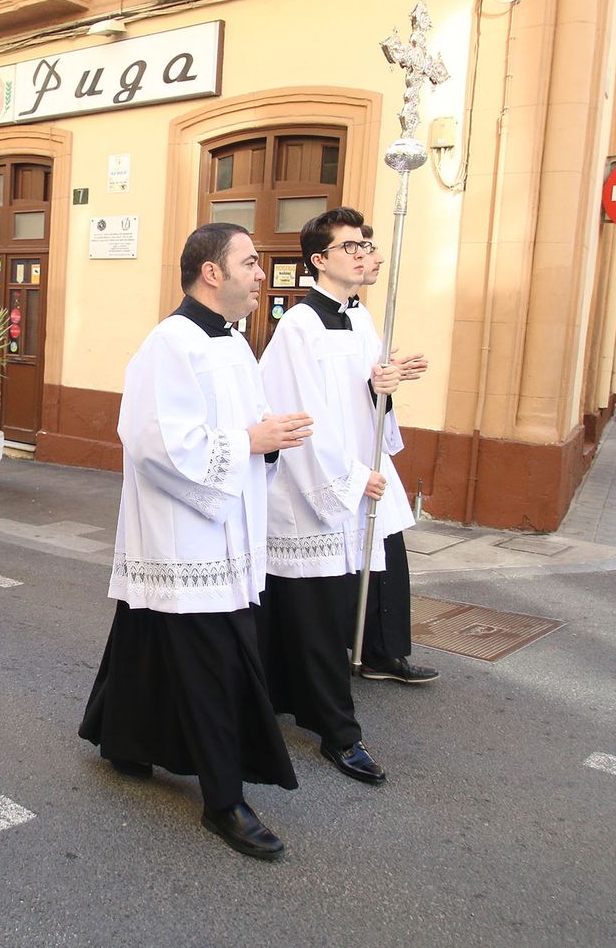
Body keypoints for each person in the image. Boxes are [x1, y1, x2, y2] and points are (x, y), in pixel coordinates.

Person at [79, 222, 313, 861]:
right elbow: (155, 442)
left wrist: (267, 436)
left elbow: (240, 429)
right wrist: (251, 443)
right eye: (250, 262)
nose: (262, 273)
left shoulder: (235, 345)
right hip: (185, 534)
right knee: (216, 662)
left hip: (225, 527)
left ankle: (124, 741)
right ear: (212, 272)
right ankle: (223, 799)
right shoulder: (169, 345)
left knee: (147, 635)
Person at [255, 213, 394, 799]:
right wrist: (351, 476)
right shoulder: (300, 327)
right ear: (319, 259)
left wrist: (385, 383)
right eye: (350, 246)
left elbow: (364, 401)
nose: (363, 254)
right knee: (314, 615)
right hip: (310, 492)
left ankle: (285, 701)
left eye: (366, 244)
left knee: (314, 613)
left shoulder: (361, 319)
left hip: (354, 476)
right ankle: (340, 732)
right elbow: (301, 415)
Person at [346, 224, 437, 685]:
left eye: (373, 248)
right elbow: (336, 393)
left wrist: (390, 375)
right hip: (347, 457)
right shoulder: (314, 321)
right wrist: (377, 380)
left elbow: (363, 382)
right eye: (365, 248)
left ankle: (384, 649)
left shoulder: (358, 314)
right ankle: (377, 651)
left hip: (369, 448)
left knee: (387, 551)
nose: (376, 258)